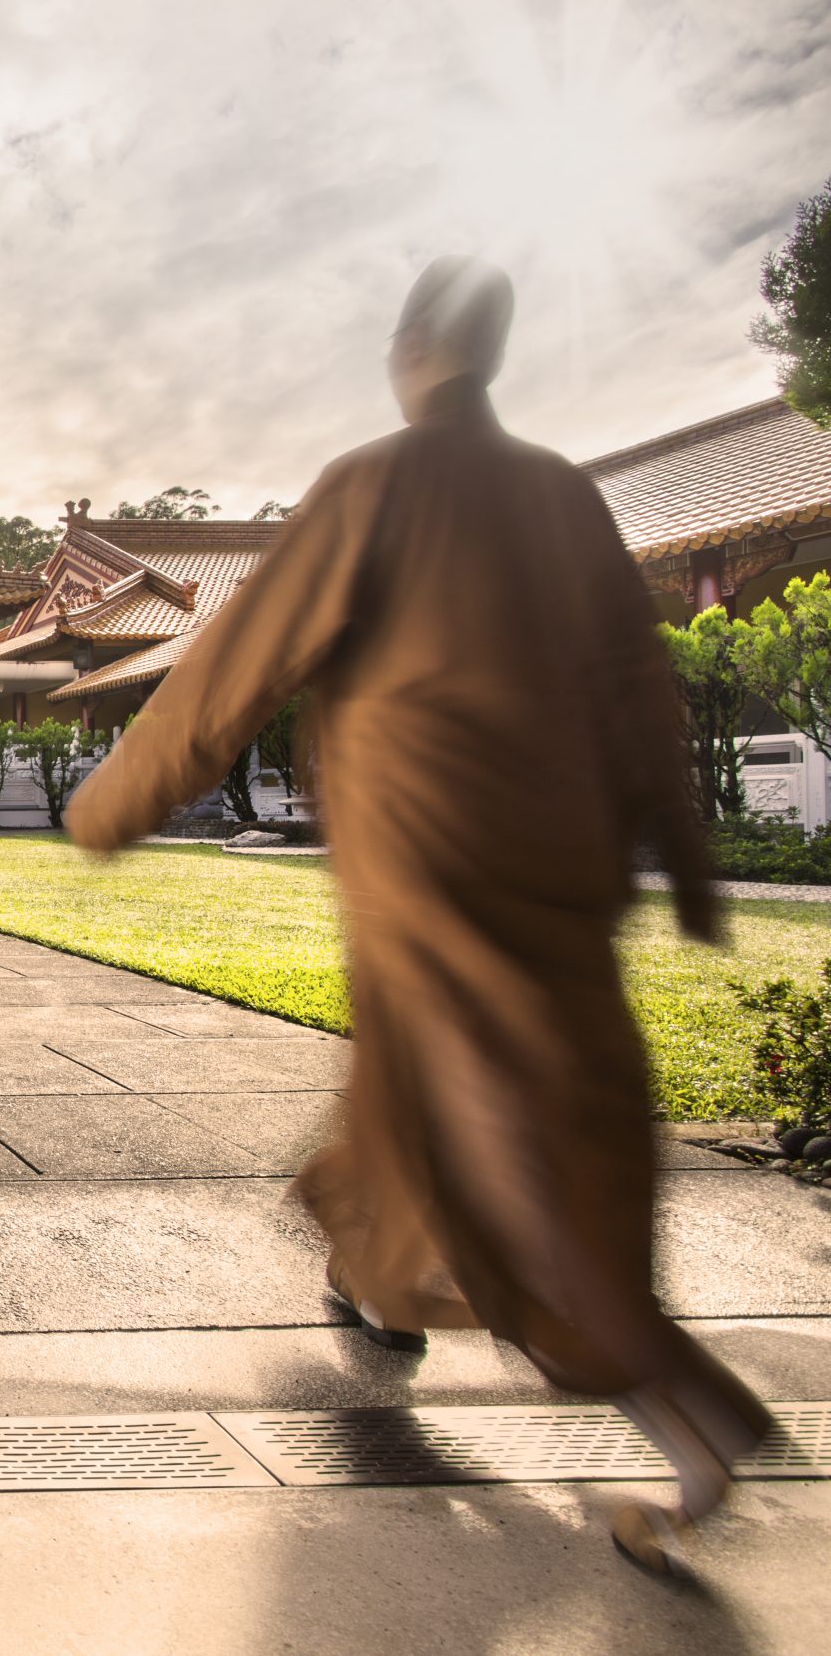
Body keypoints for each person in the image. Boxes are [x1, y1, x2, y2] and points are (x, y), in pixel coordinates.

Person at [64, 255, 772, 1572]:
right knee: (436, 1102)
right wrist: (682, 855)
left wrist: (116, 799)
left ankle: (684, 1418)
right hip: (561, 865)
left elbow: (237, 659)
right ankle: (376, 1277)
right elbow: (640, 688)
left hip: (435, 867)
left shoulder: (377, 484)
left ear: (411, 351)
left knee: (506, 1143)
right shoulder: (562, 496)